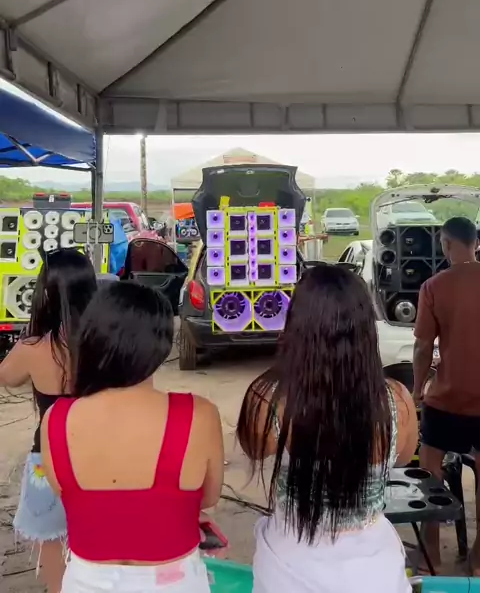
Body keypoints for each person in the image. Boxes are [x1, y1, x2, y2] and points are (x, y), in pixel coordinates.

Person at [237, 263, 417, 593]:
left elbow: (253, 448)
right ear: (366, 329)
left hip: (288, 570)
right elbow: (403, 458)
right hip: (374, 574)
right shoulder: (398, 401)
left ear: (296, 326)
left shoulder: (267, 399)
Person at [41, 280, 224, 593]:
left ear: (91, 338)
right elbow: (207, 498)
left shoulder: (55, 419)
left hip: (85, 582)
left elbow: (68, 496)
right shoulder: (199, 415)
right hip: (175, 582)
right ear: (161, 345)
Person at [0, 248, 97, 593]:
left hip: (48, 457)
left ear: (46, 291)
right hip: (103, 455)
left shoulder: (32, 347)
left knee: (51, 542)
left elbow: (7, 377)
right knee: (99, 539)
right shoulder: (104, 342)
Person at [414, 216, 480, 573]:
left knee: (430, 468)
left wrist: (417, 389)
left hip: (447, 401)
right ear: (477, 244)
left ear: (446, 244)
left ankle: (431, 554)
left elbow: (423, 347)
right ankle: (478, 560)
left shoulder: (434, 286)